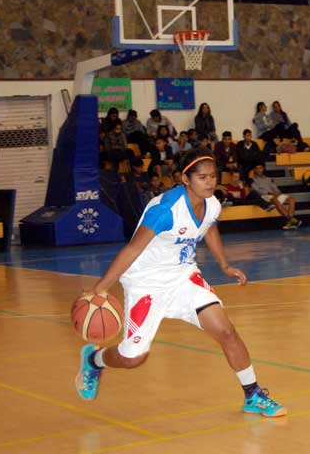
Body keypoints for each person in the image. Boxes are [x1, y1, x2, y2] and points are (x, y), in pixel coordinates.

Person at [74, 149, 286, 418]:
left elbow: (209, 226)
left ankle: (253, 395)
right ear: (185, 179)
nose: (209, 182)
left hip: (183, 276)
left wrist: (224, 265)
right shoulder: (165, 210)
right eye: (202, 177)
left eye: (213, 176)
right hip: (146, 284)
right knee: (134, 358)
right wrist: (100, 287)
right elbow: (132, 250)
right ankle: (94, 360)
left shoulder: (212, 204)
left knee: (226, 331)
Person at [250, 163, 301, 230]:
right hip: (264, 196)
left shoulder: (269, 179)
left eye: (260, 168)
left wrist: (278, 193)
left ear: (263, 169)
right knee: (274, 199)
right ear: (254, 170)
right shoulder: (252, 180)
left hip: (274, 195)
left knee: (291, 199)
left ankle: (290, 222)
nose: (259, 170)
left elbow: (275, 189)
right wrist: (270, 193)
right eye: (257, 168)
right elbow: (257, 191)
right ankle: (292, 220)